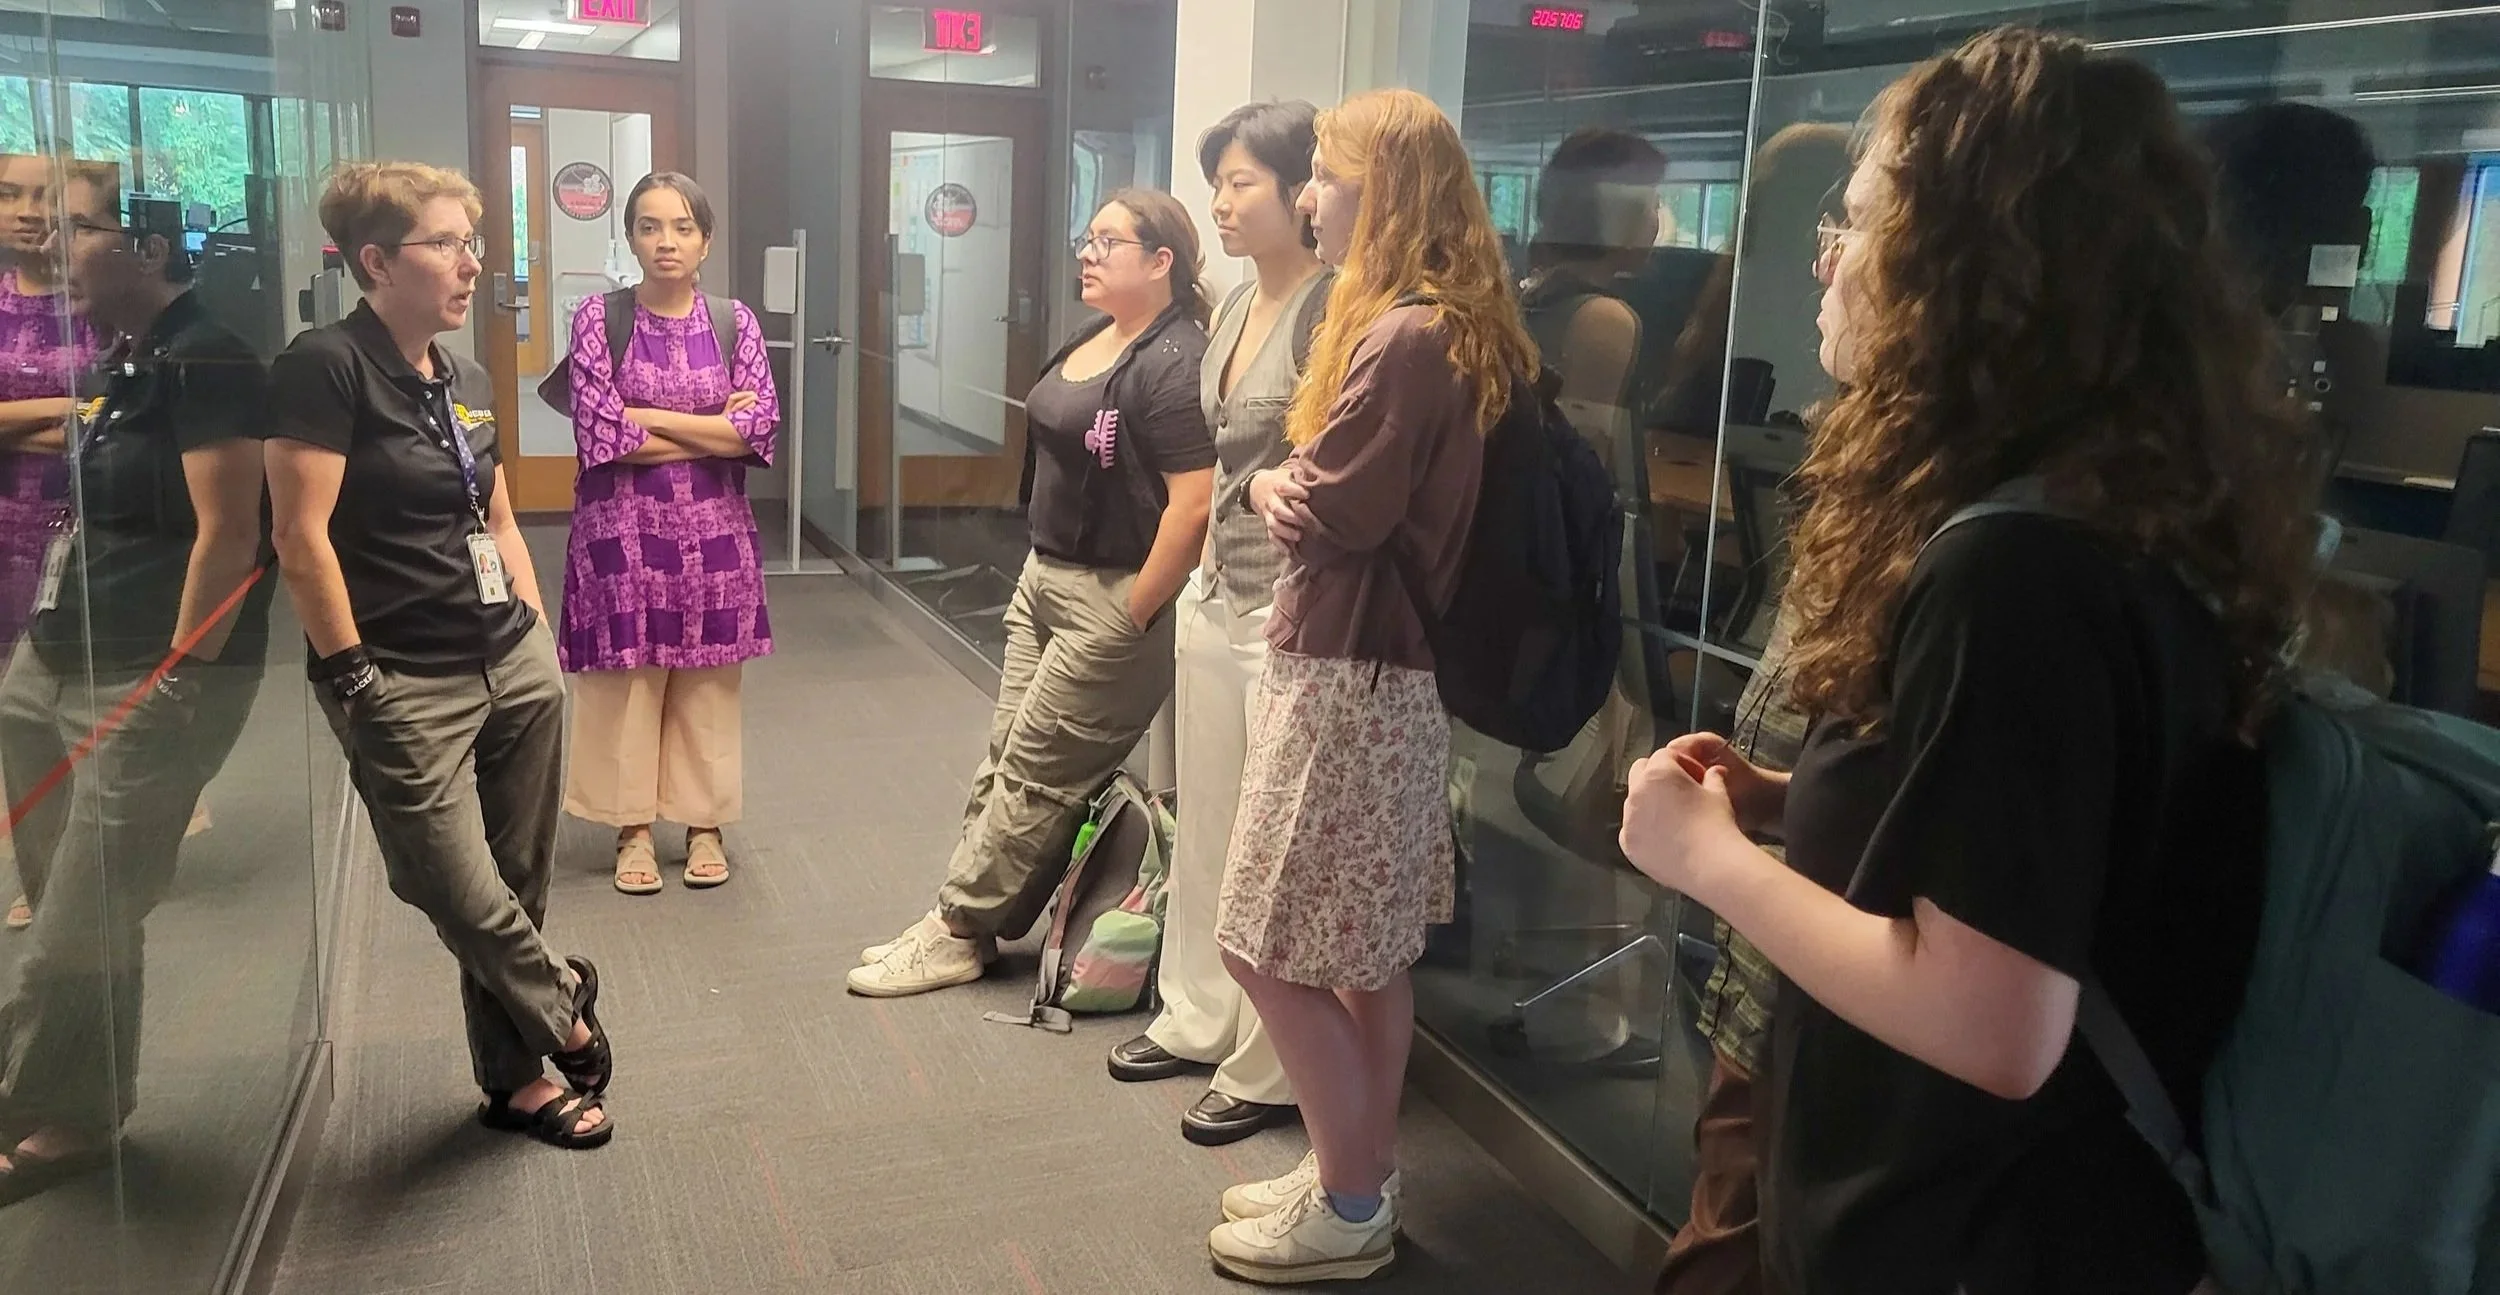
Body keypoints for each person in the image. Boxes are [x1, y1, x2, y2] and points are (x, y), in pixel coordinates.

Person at [1617, 28, 2313, 1295]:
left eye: (1864, 215)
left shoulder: (2013, 571)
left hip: (1965, 1227)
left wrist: (1704, 858)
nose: (1828, 258)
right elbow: (2048, 847)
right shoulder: (2108, 517)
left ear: (1971, 264)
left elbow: (1993, 1024)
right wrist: (1793, 799)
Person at [1205, 87, 1532, 1283]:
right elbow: (1313, 487)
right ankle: (1361, 1166)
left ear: (1382, 190)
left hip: (1344, 668)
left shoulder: (1399, 335)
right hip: (1386, 673)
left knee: (1262, 942)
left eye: (1326, 174)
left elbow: (1329, 505)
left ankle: (1348, 1200)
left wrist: (1267, 488)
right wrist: (1273, 485)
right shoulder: (1439, 323)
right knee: (1362, 950)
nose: (1305, 195)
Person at [265, 161, 614, 1150]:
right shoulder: (324, 366)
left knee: (517, 878)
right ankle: (565, 1010)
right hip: (399, 675)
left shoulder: (457, 375)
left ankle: (516, 1082)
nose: (474, 264)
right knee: (449, 882)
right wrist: (352, 679)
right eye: (449, 243)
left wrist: (534, 636)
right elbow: (301, 538)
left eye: (475, 243)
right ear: (375, 260)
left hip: (509, 661)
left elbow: (492, 509)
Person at [850, 189, 1214, 998]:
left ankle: (954, 929)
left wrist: (1135, 610)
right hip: (1045, 580)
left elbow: (1194, 503)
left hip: (1111, 599)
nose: (1088, 252)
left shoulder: (1174, 359)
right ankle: (968, 917)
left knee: (1038, 776)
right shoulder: (1100, 335)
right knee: (1008, 758)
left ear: (1161, 262)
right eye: (1088, 237)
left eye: (1109, 241)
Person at [0, 164, 274, 1205]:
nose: (49, 248)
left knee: (78, 916)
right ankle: (78, 1106)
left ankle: (34, 1104)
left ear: (146, 247)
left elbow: (232, 535)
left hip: (143, 671)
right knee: (66, 894)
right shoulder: (125, 356)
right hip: (58, 653)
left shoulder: (209, 357)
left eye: (76, 231)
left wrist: (178, 675)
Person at [1105, 101, 1329, 1149]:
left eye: (1242, 181)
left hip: (1290, 605)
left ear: (1302, 189)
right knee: (1200, 822)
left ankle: (1266, 1061)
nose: (1223, 202)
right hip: (1215, 591)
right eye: (1219, 182)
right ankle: (1194, 1012)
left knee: (1264, 849)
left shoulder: (1338, 310)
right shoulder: (1236, 302)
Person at [557, 171, 778, 895]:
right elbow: (601, 434)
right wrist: (715, 427)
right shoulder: (597, 317)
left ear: (706, 240)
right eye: (650, 227)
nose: (667, 242)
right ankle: (633, 830)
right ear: (630, 238)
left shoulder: (735, 321)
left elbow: (759, 429)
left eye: (683, 227)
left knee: (708, 681)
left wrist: (647, 416)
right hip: (619, 534)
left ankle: (704, 822)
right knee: (628, 679)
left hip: (715, 531)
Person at [0, 153, 105, 934]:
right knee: (21, 711)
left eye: (46, 195)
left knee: (96, 691)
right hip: (7, 527)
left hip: (94, 521)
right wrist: (68, 408)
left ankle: (103, 869)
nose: (30, 210)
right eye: (12, 193)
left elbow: (120, 409)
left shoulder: (98, 301)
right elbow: (89, 409)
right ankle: (44, 876)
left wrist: (36, 413)